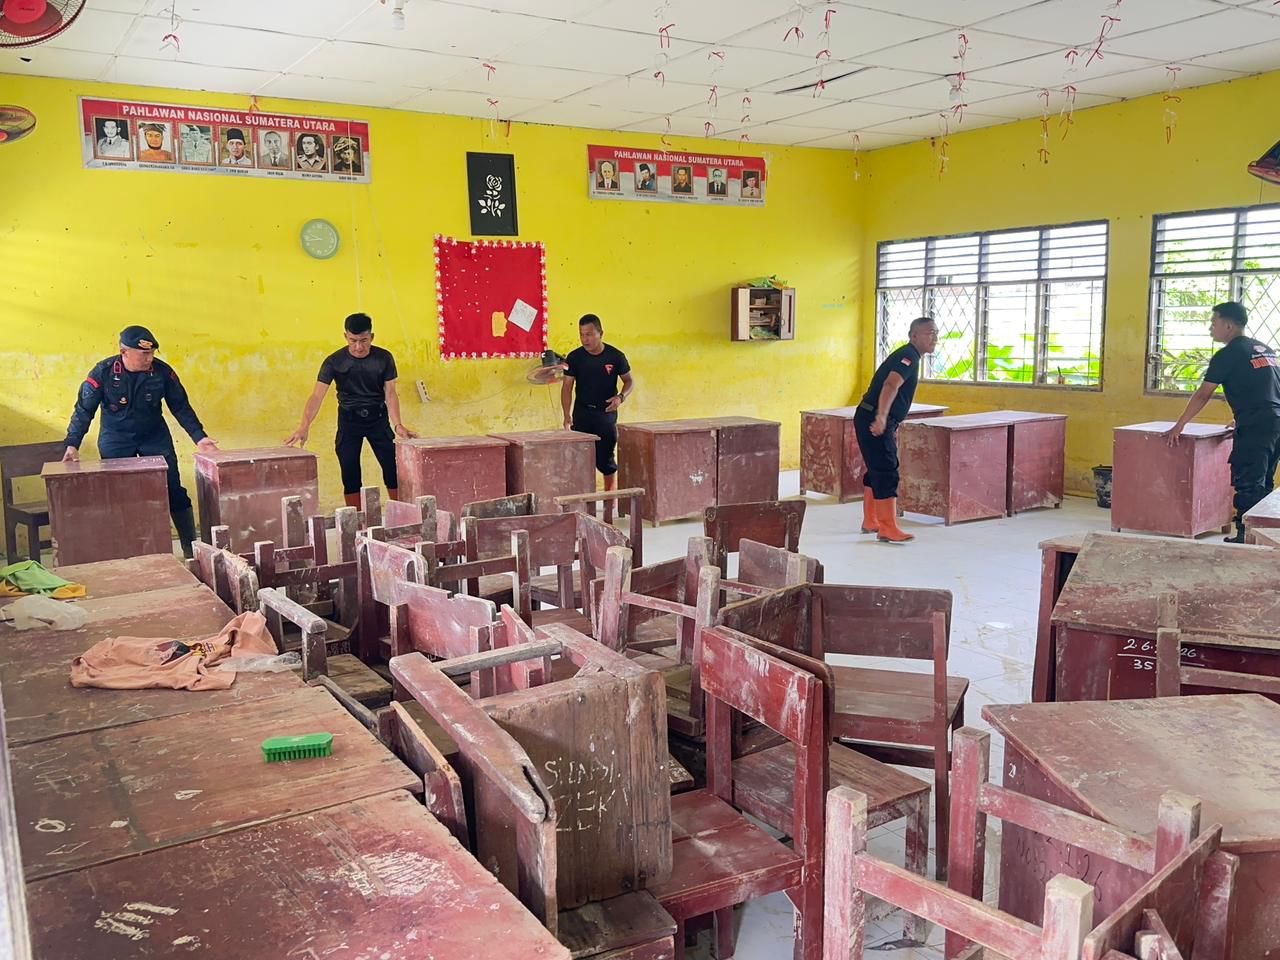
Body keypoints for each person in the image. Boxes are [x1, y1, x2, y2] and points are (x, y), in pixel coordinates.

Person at [61, 326, 218, 559]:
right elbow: (84, 410)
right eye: (144, 354)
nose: (149, 358)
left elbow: (181, 407)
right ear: (124, 352)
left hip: (153, 436)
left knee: (172, 489)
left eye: (152, 353)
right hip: (116, 438)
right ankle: (127, 553)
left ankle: (190, 549)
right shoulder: (103, 373)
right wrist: (72, 444)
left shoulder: (162, 372)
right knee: (119, 495)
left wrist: (200, 437)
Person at [1167, 301, 1280, 542]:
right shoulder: (1264, 349)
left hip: (1257, 425)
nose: (1210, 328)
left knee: (1248, 481)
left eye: (1213, 322)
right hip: (1274, 422)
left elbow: (1203, 394)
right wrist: (1244, 416)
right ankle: (1260, 536)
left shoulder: (1228, 354)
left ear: (1228, 325)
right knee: (1264, 480)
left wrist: (1180, 424)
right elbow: (1267, 388)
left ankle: (1245, 537)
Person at [285, 313, 418, 508]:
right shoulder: (334, 362)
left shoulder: (384, 358)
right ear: (345, 337)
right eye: (353, 340)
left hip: (378, 419)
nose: (358, 347)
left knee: (393, 468)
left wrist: (398, 425)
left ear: (371, 337)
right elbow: (316, 396)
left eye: (363, 340)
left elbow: (390, 393)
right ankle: (356, 518)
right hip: (349, 421)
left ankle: (403, 512)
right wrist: (304, 426)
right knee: (350, 473)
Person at [853, 316, 938, 543]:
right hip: (874, 416)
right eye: (930, 333)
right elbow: (891, 384)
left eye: (936, 333)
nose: (935, 338)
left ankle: (871, 520)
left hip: (871, 415)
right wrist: (881, 417)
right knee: (886, 470)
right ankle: (887, 527)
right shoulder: (908, 355)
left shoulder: (910, 355)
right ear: (914, 336)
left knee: (877, 468)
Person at [561, 314, 634, 492]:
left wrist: (620, 397)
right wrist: (566, 415)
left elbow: (629, 381)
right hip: (582, 413)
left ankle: (610, 501)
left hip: (606, 413)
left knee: (606, 460)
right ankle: (583, 501)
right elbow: (567, 387)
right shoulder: (575, 357)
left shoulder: (616, 356)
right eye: (581, 334)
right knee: (580, 459)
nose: (585, 339)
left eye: (589, 334)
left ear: (600, 333)